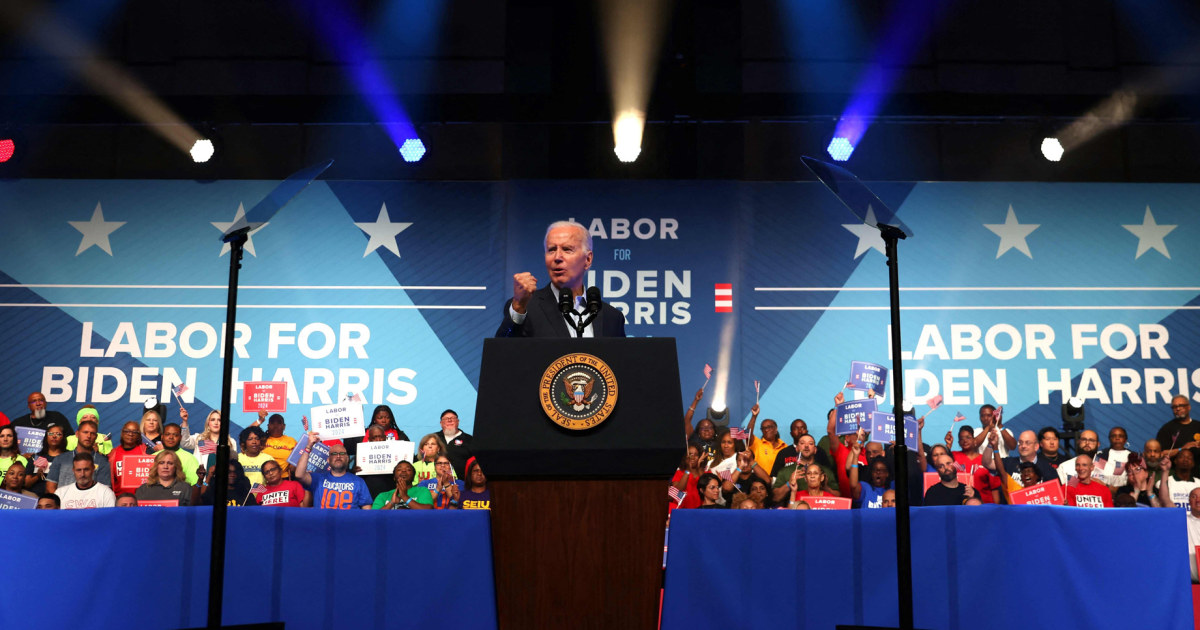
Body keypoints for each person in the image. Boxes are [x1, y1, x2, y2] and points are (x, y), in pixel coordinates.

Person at [495, 220, 626, 338]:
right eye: (551, 250)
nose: (557, 257)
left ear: (588, 259)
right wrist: (518, 306)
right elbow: (501, 355)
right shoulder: (526, 308)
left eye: (567, 249)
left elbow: (620, 363)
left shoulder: (612, 317)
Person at [293, 433, 372, 510]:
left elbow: (367, 510)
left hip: (348, 522)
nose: (338, 456)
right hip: (323, 522)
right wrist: (308, 447)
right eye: (334, 454)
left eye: (342, 453)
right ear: (328, 460)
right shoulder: (318, 478)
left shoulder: (358, 482)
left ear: (347, 459)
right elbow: (299, 474)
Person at [45, 420, 111, 493]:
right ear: (77, 434)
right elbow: (50, 487)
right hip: (62, 503)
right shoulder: (60, 459)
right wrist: (62, 503)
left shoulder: (103, 462)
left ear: (96, 437)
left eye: (92, 433)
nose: (88, 436)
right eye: (85, 432)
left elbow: (104, 491)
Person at [771, 434, 839, 504]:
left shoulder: (825, 471)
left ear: (815, 450)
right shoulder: (785, 471)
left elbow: (839, 498)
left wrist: (825, 487)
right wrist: (789, 484)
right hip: (794, 512)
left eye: (810, 443)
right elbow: (775, 498)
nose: (806, 446)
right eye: (802, 443)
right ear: (797, 448)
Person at [1157, 395, 1200, 475]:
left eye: (1181, 406)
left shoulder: (1198, 426)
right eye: (1174, 407)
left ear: (1189, 407)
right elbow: (1161, 454)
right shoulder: (1166, 429)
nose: (1178, 409)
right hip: (1175, 474)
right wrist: (1182, 448)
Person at [23, 423, 67, 496]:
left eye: (58, 434)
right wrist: (37, 477)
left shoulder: (69, 457)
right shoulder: (36, 457)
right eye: (50, 433)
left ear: (63, 437)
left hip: (60, 496)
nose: (54, 436)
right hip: (35, 495)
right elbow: (26, 484)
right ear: (46, 437)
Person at [846, 443, 893, 509]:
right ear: (871, 473)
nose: (878, 473)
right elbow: (853, 486)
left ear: (887, 473)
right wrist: (856, 456)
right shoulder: (865, 488)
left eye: (881, 470)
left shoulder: (893, 487)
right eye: (875, 470)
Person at [108, 421, 150, 494]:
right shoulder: (113, 454)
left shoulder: (146, 451)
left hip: (141, 498)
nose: (130, 434)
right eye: (127, 431)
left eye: (135, 432)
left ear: (138, 435)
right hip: (120, 499)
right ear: (122, 433)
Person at [436, 409, 473, 479]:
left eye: (452, 418)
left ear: (458, 422)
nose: (449, 420)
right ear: (441, 423)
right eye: (446, 419)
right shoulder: (433, 438)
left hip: (462, 484)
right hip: (435, 484)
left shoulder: (469, 439)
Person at [669, 446, 703, 511]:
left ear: (699, 457)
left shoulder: (704, 472)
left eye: (696, 455)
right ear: (685, 457)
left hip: (700, 510)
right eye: (690, 454)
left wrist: (699, 467)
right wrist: (688, 470)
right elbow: (679, 489)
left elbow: (705, 486)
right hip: (682, 510)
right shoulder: (679, 473)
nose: (692, 457)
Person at [1185, 488, 1200, 582]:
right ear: (1189, 501)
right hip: (1191, 583)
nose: (1198, 500)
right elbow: (1166, 502)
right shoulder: (1183, 519)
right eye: (1194, 497)